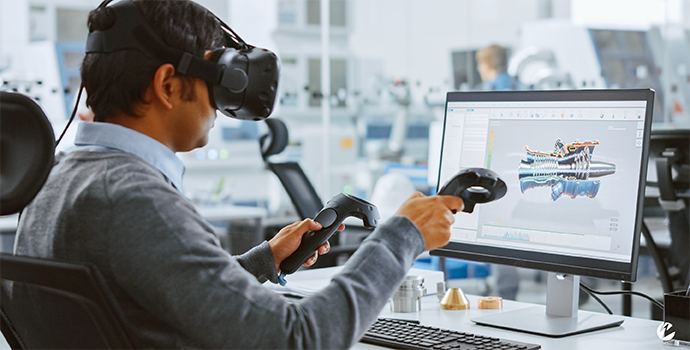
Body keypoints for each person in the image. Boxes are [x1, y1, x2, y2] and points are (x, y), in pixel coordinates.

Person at [14, 0, 464, 349]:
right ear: (168, 85)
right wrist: (403, 236)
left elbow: (140, 301)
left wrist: (259, 263)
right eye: (217, 80)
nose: (219, 102)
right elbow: (300, 339)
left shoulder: (57, 180)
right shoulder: (136, 199)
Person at [476, 44, 521, 300]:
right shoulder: (522, 86)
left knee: (498, 232)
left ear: (487, 65)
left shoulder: (490, 91)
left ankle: (505, 294)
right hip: (521, 169)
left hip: (498, 170)